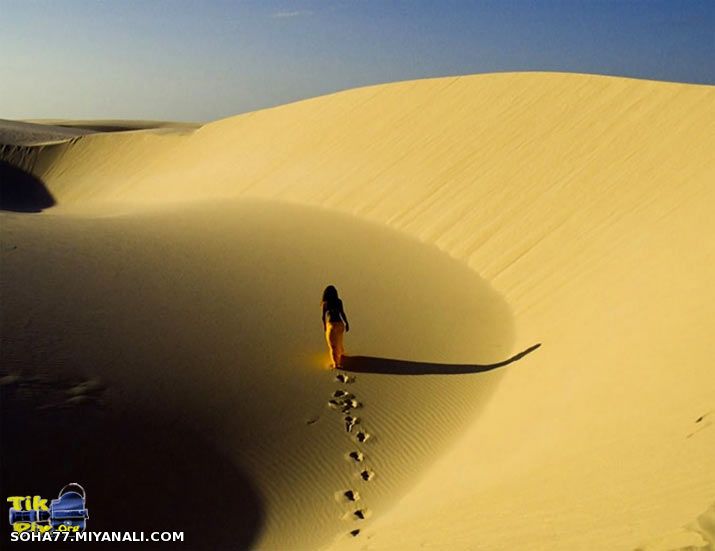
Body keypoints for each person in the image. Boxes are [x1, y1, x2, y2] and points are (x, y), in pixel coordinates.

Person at [321, 285, 350, 368]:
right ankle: (341, 355)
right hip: (340, 325)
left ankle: (336, 364)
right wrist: (346, 323)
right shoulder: (339, 301)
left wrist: (325, 327)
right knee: (339, 342)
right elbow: (342, 313)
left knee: (333, 346)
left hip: (332, 326)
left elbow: (323, 317)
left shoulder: (325, 304)